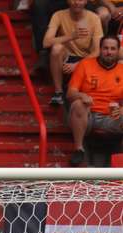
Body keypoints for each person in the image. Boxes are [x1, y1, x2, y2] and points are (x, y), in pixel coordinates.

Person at [66, 35, 123, 166]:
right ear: (100, 49)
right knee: (78, 104)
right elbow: (70, 93)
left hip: (112, 117)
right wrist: (81, 95)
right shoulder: (85, 64)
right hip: (89, 116)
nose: (109, 52)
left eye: (113, 49)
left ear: (118, 51)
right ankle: (79, 149)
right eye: (105, 48)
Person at [43, 0, 102, 106]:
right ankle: (58, 92)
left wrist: (78, 65)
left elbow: (97, 51)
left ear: (86, 2)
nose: (76, 2)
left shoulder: (94, 18)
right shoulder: (58, 15)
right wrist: (71, 36)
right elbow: (46, 42)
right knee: (56, 48)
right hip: (66, 56)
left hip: (85, 58)